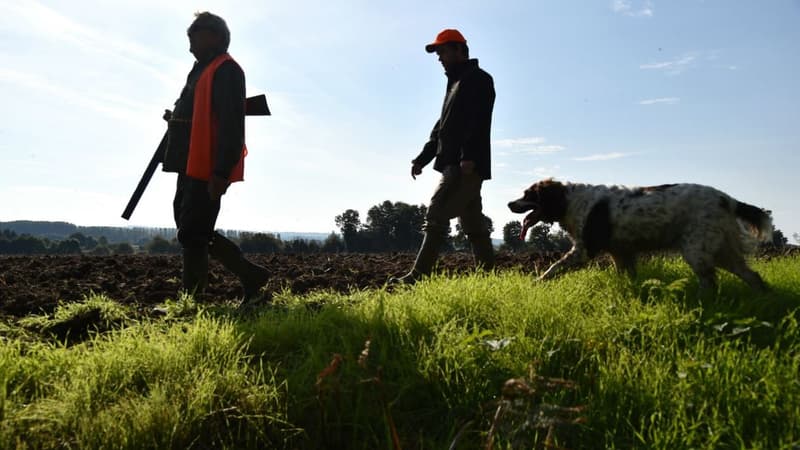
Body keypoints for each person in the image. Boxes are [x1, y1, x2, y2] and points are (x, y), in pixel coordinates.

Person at [161, 12, 269, 299]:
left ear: (214, 36)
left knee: (194, 231)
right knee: (191, 229)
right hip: (189, 162)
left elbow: (232, 126)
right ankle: (251, 276)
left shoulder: (226, 70)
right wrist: (177, 119)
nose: (190, 47)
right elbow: (203, 115)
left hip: (206, 165)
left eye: (193, 38)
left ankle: (193, 299)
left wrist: (221, 171)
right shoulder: (201, 70)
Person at [395, 29, 496, 284]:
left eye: (442, 51)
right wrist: (423, 158)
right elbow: (442, 127)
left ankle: (418, 277)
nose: (439, 57)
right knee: (473, 223)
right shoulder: (455, 83)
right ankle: (489, 276)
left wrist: (469, 156)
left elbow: (479, 120)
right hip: (455, 163)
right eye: (437, 53)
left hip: (464, 166)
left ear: (460, 50)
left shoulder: (478, 79)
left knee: (436, 213)